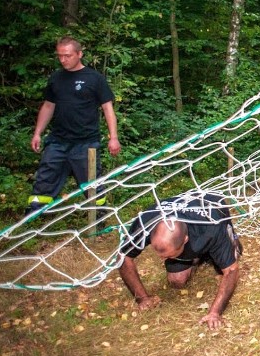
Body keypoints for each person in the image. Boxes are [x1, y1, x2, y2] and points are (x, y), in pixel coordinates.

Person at [117, 192, 243, 329]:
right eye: (160, 254)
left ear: (185, 240)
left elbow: (231, 270)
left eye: (167, 255)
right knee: (177, 281)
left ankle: (215, 249)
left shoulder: (211, 227)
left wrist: (215, 313)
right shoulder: (146, 222)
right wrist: (142, 298)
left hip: (212, 206)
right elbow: (123, 256)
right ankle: (196, 258)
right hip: (183, 216)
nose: (162, 259)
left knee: (229, 258)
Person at [25, 36, 121, 215]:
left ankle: (99, 215)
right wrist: (37, 133)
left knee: (91, 183)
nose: (63, 60)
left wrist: (113, 138)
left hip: (85, 143)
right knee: (45, 178)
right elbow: (48, 106)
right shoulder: (56, 78)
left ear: (79, 54)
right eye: (60, 56)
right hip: (57, 141)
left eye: (67, 55)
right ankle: (34, 218)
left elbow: (108, 108)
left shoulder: (94, 78)